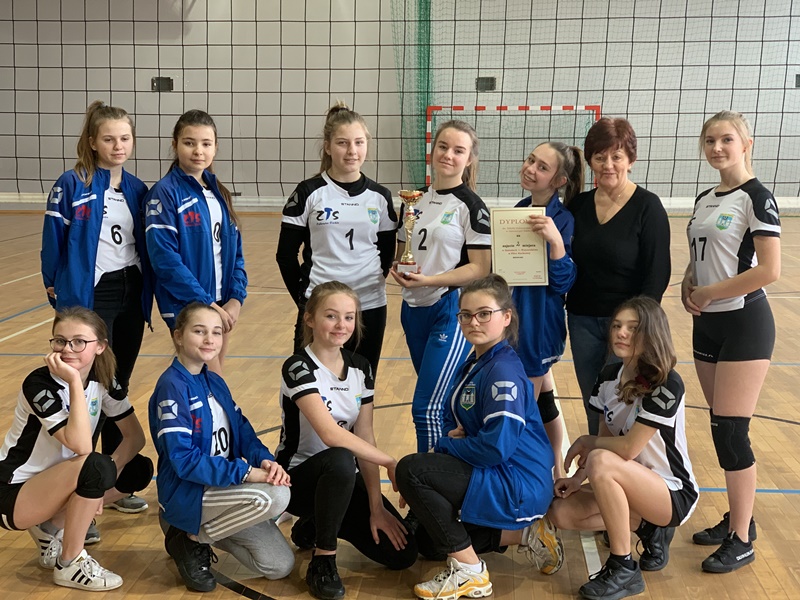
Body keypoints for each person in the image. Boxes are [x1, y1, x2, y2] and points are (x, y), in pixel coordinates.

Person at [396, 274, 562, 600]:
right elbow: (455, 422)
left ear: (506, 316)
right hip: (500, 473)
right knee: (430, 541)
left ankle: (472, 573)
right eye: (466, 315)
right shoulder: (479, 361)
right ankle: (527, 534)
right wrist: (453, 442)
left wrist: (445, 446)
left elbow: (495, 448)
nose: (474, 322)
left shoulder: (502, 372)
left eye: (484, 313)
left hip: (517, 482)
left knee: (412, 471)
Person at [41, 100, 153, 514]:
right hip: (92, 295)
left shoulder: (138, 189)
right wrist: (56, 288)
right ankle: (79, 492)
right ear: (92, 142)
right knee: (90, 389)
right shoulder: (72, 184)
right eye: (109, 139)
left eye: (125, 138)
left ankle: (111, 480)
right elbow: (53, 239)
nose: (118, 146)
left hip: (130, 291)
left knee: (117, 385)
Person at [546, 297, 698, 600]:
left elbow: (626, 448)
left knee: (602, 459)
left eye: (632, 328)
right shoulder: (607, 378)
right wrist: (577, 479)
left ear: (652, 333)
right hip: (628, 483)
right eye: (617, 326)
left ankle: (623, 567)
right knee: (560, 512)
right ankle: (649, 528)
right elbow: (606, 439)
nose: (621, 332)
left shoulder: (667, 383)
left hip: (671, 493)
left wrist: (588, 442)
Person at [681, 111, 780, 573]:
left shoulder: (758, 197)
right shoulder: (705, 198)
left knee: (731, 431)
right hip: (708, 325)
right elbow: (703, 254)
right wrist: (689, 280)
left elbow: (769, 270)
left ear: (746, 144)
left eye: (726, 140)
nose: (717, 148)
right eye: (709, 140)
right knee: (721, 426)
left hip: (745, 323)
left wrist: (710, 292)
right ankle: (741, 519)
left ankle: (741, 539)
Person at [276, 281, 417, 600]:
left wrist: (376, 506)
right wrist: (389, 460)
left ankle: (315, 524)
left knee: (402, 554)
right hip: (296, 482)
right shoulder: (298, 366)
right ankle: (323, 561)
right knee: (340, 457)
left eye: (349, 317)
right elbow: (330, 434)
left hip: (341, 480)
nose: (341, 325)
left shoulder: (360, 369)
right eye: (331, 316)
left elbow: (365, 436)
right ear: (309, 319)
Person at [0, 307, 153, 591]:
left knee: (137, 469)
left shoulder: (104, 378)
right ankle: (69, 563)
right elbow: (81, 445)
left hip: (60, 481)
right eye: (60, 341)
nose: (67, 349)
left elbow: (135, 437)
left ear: (100, 346)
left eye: (79, 341)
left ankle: (49, 529)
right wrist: (73, 380)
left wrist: (105, 480)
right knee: (95, 466)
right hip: (14, 492)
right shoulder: (39, 384)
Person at [149, 302, 294, 592]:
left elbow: (243, 432)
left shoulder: (214, 381)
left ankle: (194, 536)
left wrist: (264, 460)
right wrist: (246, 473)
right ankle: (186, 535)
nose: (209, 339)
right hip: (189, 494)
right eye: (199, 331)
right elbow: (184, 460)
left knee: (279, 565)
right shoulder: (172, 386)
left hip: (223, 494)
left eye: (216, 332)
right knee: (276, 496)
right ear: (178, 336)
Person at [389, 120, 491, 452]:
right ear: (432, 150)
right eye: (443, 147)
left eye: (458, 150)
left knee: (427, 408)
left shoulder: (471, 207)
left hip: (450, 310)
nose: (448, 155)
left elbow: (480, 268)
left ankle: (426, 479)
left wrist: (430, 280)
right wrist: (397, 268)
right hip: (412, 309)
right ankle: (454, 472)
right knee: (444, 404)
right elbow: (402, 252)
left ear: (469, 159)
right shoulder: (413, 200)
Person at [566, 117, 671, 435]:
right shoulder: (577, 206)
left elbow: (657, 273)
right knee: (593, 401)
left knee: (622, 401)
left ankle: (623, 463)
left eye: (616, 156)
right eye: (600, 157)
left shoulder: (647, 207)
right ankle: (596, 461)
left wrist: (637, 325)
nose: (608, 165)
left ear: (631, 160)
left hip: (627, 325)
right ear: (590, 161)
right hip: (582, 319)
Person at [276, 102, 396, 378]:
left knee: (362, 385)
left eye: (359, 142)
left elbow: (387, 253)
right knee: (308, 385)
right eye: (343, 143)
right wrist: (306, 300)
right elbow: (285, 255)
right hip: (321, 304)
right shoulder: (308, 192)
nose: (352, 151)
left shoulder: (380, 197)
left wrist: (368, 280)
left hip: (369, 304)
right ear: (328, 147)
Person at [145, 109, 247, 375]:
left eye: (206, 144)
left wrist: (235, 298)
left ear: (215, 147)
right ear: (175, 144)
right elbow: (164, 260)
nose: (198, 151)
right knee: (211, 377)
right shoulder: (165, 193)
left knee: (212, 379)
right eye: (189, 143)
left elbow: (235, 252)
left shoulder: (218, 192)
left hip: (221, 303)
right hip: (188, 305)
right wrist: (205, 304)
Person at [512, 142, 583, 479]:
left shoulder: (564, 220)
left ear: (558, 181)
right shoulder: (519, 210)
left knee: (523, 409)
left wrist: (555, 242)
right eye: (531, 160)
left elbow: (563, 282)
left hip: (539, 327)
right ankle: (556, 468)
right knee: (542, 403)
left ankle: (533, 477)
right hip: (517, 322)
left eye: (542, 167)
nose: (531, 169)